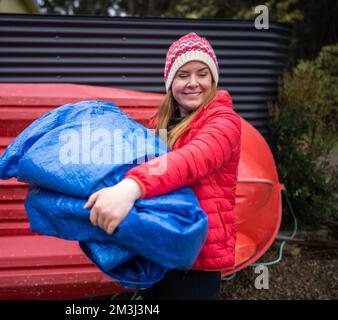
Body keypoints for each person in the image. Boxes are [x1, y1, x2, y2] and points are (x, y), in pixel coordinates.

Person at [84, 32, 241, 300]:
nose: (193, 83)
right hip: (159, 245)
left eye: (202, 73)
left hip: (197, 257)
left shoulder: (224, 122)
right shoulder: (160, 123)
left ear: (213, 78)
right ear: (170, 82)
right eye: (183, 75)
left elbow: (191, 159)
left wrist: (132, 187)